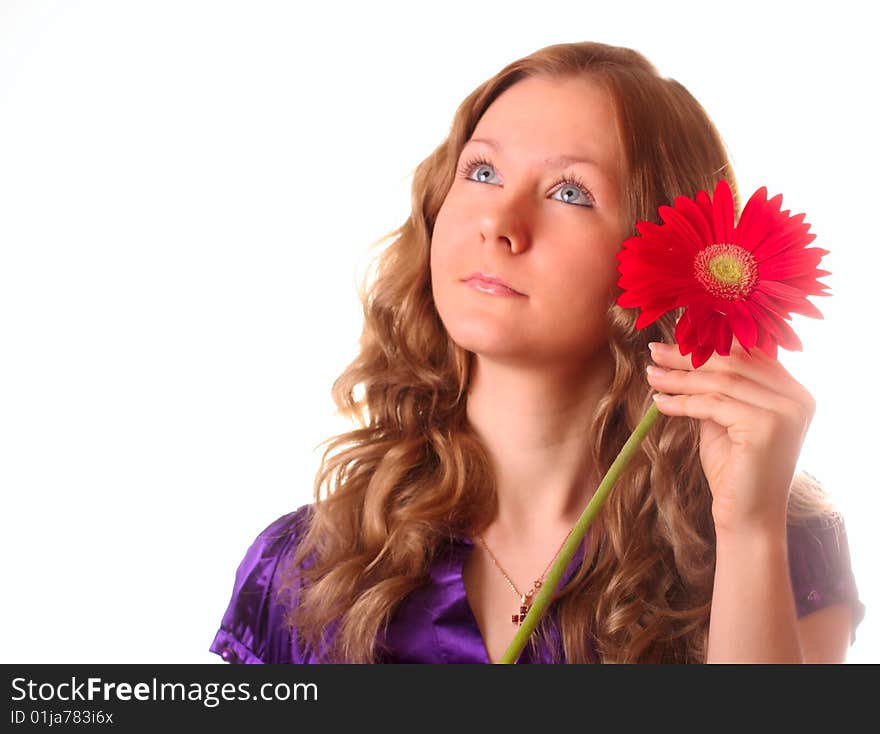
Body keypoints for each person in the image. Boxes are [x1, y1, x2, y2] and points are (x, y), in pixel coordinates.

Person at [209, 40, 865, 664]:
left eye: (570, 192)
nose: (500, 221)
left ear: (664, 253)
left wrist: (749, 531)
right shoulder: (296, 570)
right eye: (484, 171)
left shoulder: (780, 547)